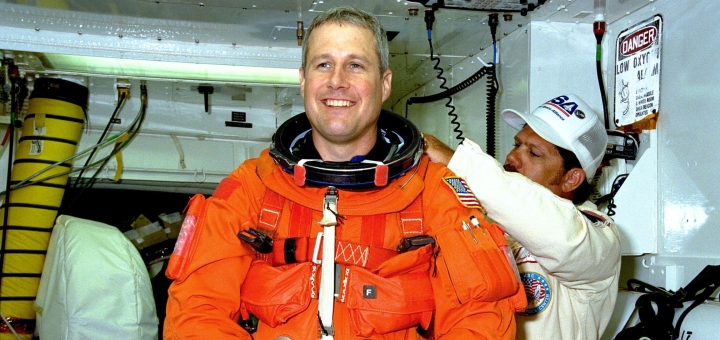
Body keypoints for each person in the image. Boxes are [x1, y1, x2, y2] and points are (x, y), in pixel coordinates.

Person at [164, 6, 525, 340]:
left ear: (384, 84)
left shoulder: (433, 193)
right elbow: (196, 313)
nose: (337, 81)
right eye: (323, 65)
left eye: (355, 65)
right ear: (303, 80)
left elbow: (481, 320)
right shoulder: (253, 187)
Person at [424, 94, 621, 340]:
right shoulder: (488, 216)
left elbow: (558, 234)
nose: (512, 158)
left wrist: (458, 161)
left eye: (534, 153)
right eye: (517, 145)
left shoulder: (597, 237)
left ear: (571, 178)